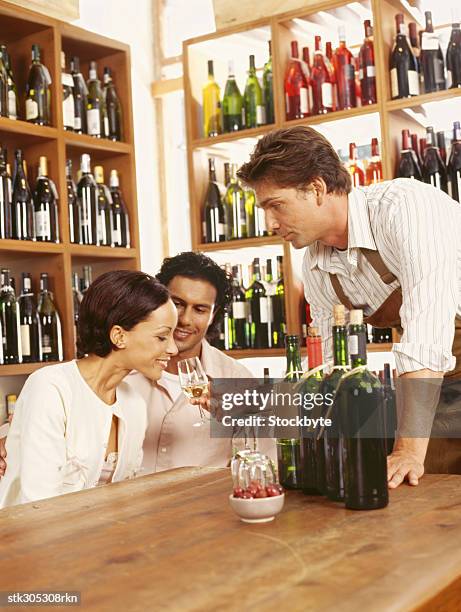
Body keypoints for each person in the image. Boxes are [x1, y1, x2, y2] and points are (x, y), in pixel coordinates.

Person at [237, 125, 461, 489]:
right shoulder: (315, 266)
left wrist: (407, 449)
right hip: (442, 378)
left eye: (275, 205)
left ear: (316, 188)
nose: (270, 224)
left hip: (435, 358)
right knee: (426, 495)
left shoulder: (405, 208)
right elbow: (328, 366)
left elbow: (428, 331)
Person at [0, 270, 177, 507]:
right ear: (119, 336)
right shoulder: (51, 388)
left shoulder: (134, 403)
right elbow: (38, 506)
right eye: (162, 337)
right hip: (33, 539)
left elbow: (128, 498)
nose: (174, 349)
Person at [127, 251, 275, 472]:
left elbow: (265, 461)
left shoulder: (236, 377)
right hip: (136, 504)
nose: (185, 319)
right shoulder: (126, 371)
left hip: (205, 505)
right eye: (177, 303)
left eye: (200, 309)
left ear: (213, 315)